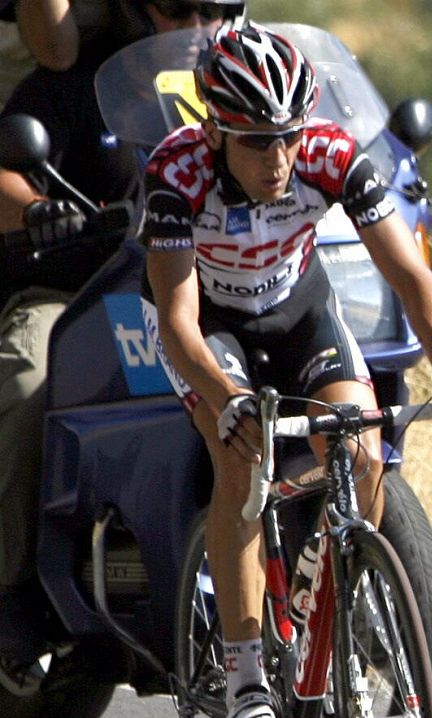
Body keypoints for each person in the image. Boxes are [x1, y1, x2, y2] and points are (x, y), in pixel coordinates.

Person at [141, 22, 432, 718]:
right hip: (211, 330)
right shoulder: (177, 175)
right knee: (241, 458)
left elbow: (412, 276)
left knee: (360, 446)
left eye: (289, 135)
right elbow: (177, 320)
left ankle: (346, 600)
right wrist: (225, 400)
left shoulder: (329, 157)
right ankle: (246, 683)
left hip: (298, 313)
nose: (280, 157)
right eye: (259, 141)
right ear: (218, 132)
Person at [0, 0, 241, 676]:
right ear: (138, 14)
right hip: (77, 294)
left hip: (205, 299)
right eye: (177, 10)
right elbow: (4, 168)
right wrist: (40, 210)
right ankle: (12, 585)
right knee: (26, 376)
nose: (196, 29)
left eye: (214, 10)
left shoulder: (247, 90)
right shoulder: (74, 85)